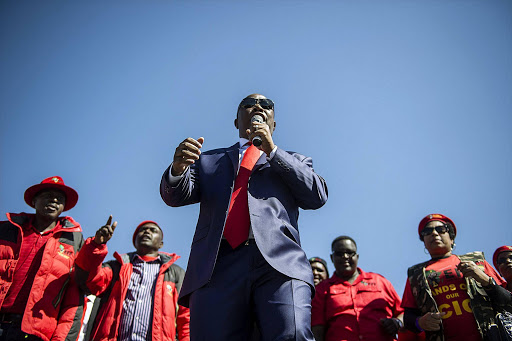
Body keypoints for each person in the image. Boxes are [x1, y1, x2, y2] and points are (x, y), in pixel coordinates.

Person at [160, 93, 328, 340]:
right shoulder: (207, 161)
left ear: (273, 123)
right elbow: (174, 196)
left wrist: (272, 150)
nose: (258, 106)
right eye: (248, 104)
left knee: (291, 335)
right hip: (217, 266)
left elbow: (316, 196)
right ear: (237, 122)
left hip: (280, 265)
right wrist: (177, 169)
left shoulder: (295, 160)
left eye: (266, 105)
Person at [74, 218, 190, 341]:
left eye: (153, 230)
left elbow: (186, 318)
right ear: (134, 241)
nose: (146, 232)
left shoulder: (176, 274)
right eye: (142, 230)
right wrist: (96, 245)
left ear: (161, 243)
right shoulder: (116, 267)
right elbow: (91, 281)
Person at [0, 176, 84, 341]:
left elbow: (73, 298)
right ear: (34, 200)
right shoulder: (6, 230)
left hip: (34, 333)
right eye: (48, 195)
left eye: (59, 199)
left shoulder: (73, 241)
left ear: (63, 207)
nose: (53, 200)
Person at [401, 213, 507, 341]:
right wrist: (420, 322)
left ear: (452, 239)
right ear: (424, 242)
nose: (434, 233)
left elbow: (507, 302)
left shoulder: (477, 261)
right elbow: (408, 317)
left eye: (441, 229)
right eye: (427, 231)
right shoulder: (415, 274)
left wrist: (485, 280)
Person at [312, 236, 404, 341]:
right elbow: (317, 329)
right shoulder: (322, 289)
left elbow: (403, 312)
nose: (345, 256)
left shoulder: (380, 282)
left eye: (350, 253)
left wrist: (397, 322)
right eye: (339, 254)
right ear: (332, 258)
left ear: (357, 256)